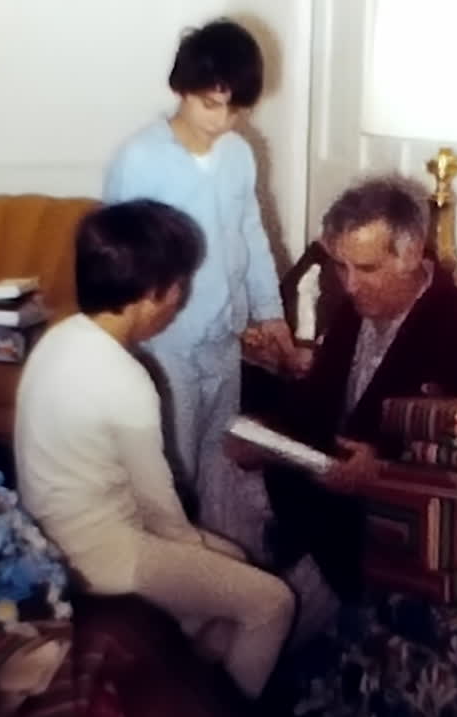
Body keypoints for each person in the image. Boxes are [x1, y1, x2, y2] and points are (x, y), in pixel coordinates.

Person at [230, 174, 457, 642]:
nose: (351, 286)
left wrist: (388, 472)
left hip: (388, 515)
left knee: (256, 618)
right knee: (227, 471)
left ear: (414, 251)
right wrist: (269, 434)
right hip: (325, 486)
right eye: (341, 267)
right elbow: (320, 400)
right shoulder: (360, 307)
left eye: (367, 268)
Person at [13, 199, 295, 701]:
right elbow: (159, 507)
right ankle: (223, 712)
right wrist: (196, 551)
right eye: (179, 287)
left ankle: (185, 688)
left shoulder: (56, 339)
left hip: (50, 534)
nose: (178, 301)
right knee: (272, 602)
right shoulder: (127, 380)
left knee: (230, 561)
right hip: (103, 556)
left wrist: (212, 557)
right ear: (151, 294)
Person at [101, 18, 303, 543]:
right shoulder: (140, 158)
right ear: (181, 89)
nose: (221, 120)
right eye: (209, 105)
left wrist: (270, 312)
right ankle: (169, 572)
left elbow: (251, 234)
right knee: (173, 469)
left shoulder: (239, 154)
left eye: (235, 109)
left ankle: (219, 563)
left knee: (219, 465)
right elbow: (118, 260)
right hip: (165, 345)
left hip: (223, 341)